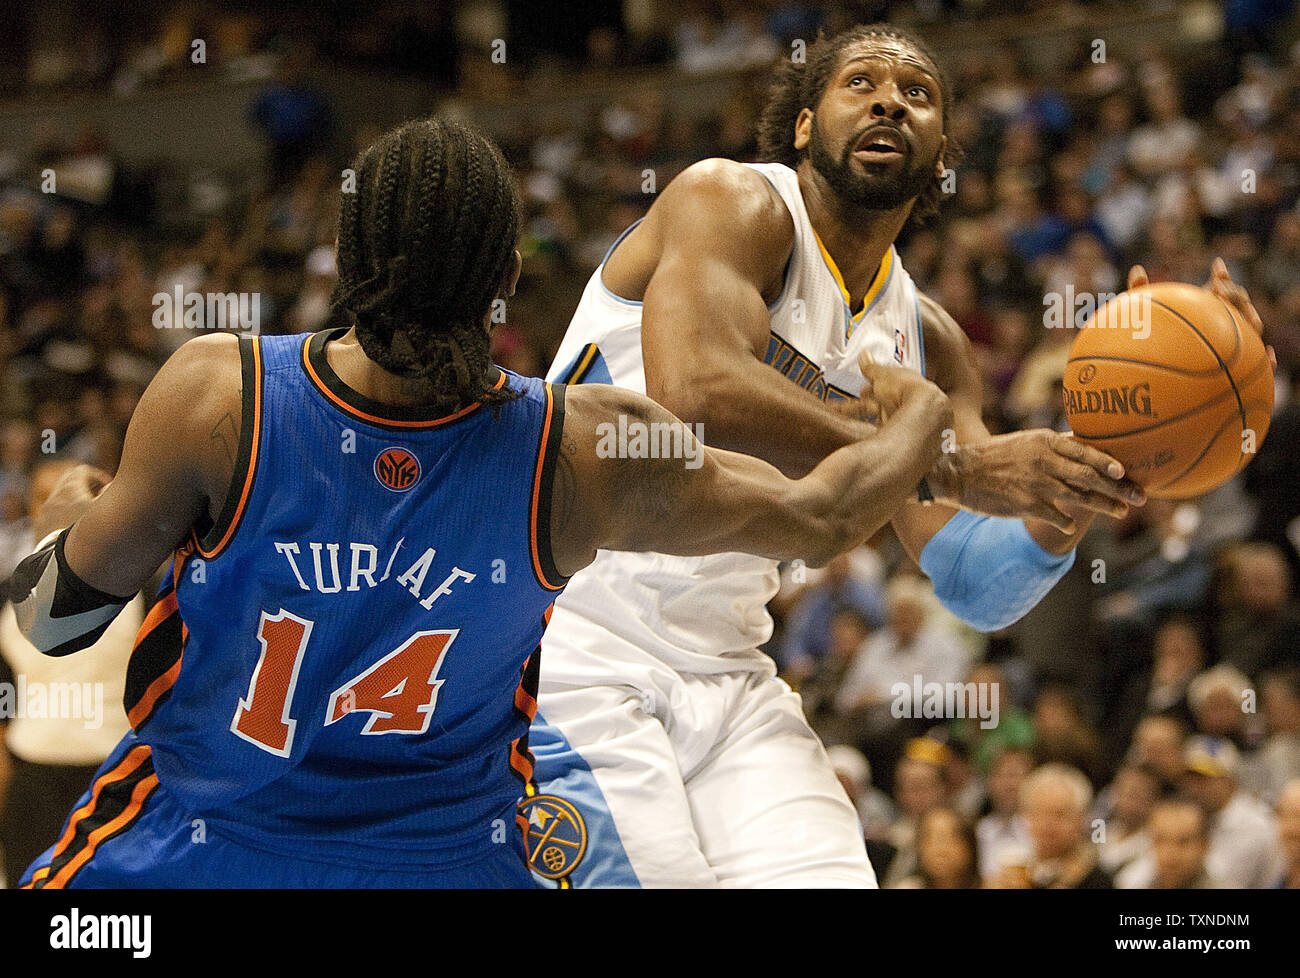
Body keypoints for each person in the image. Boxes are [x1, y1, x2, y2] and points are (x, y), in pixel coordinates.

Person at [7, 117, 954, 889]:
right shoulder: (580, 453)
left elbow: (50, 623)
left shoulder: (223, 397)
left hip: (201, 849)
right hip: (452, 864)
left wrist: (72, 511)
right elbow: (829, 513)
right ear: (506, 280)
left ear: (345, 252)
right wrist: (918, 416)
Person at [527, 21, 1266, 887]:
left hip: (729, 669)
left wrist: (1094, 475)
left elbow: (970, 575)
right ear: (804, 125)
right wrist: (948, 463)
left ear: (943, 148)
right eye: (862, 84)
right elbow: (696, 393)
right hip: (569, 641)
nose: (889, 99)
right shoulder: (731, 202)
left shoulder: (926, 338)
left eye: (917, 94)